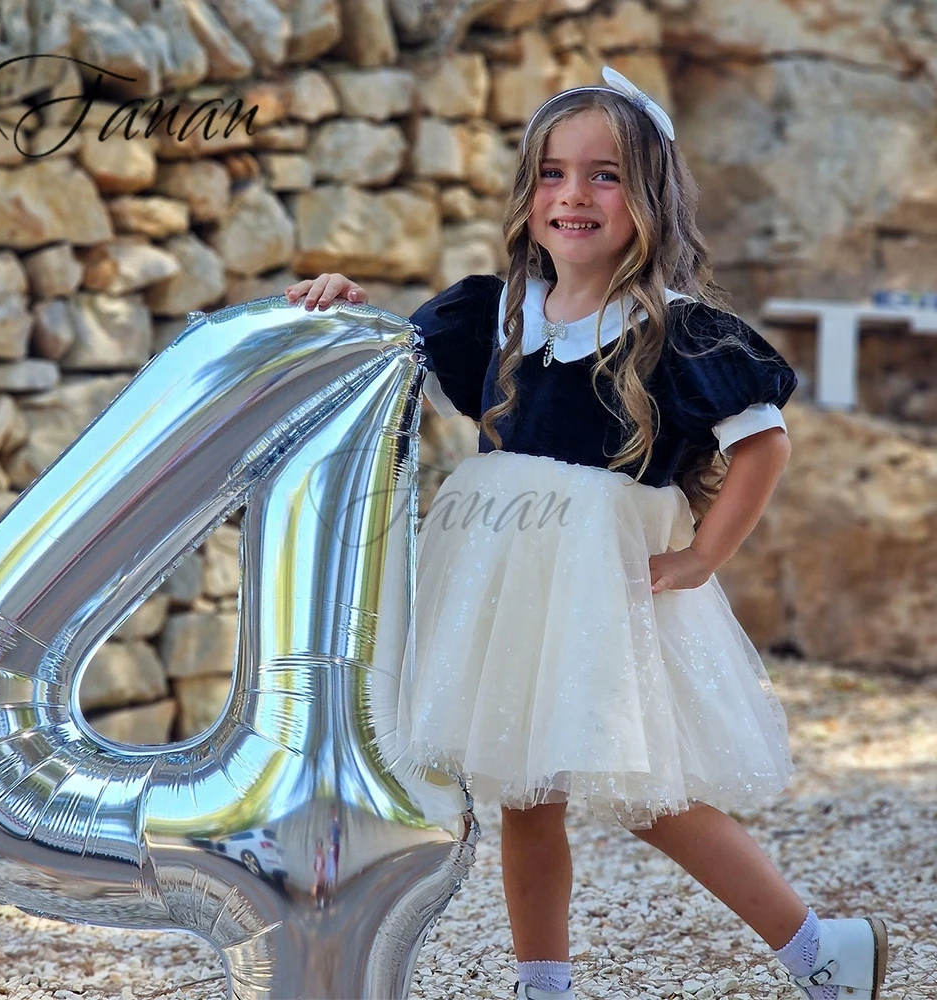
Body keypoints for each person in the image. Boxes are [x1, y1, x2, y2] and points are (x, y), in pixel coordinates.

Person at [284, 66, 887, 1000]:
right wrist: (345, 301)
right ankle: (545, 986)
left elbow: (764, 448)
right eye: (553, 174)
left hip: (598, 589)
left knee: (655, 798)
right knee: (524, 793)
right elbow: (385, 372)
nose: (574, 195)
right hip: (504, 579)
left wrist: (699, 558)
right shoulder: (489, 313)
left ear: (650, 197)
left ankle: (820, 948)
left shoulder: (679, 330)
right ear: (527, 196)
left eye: (605, 174)